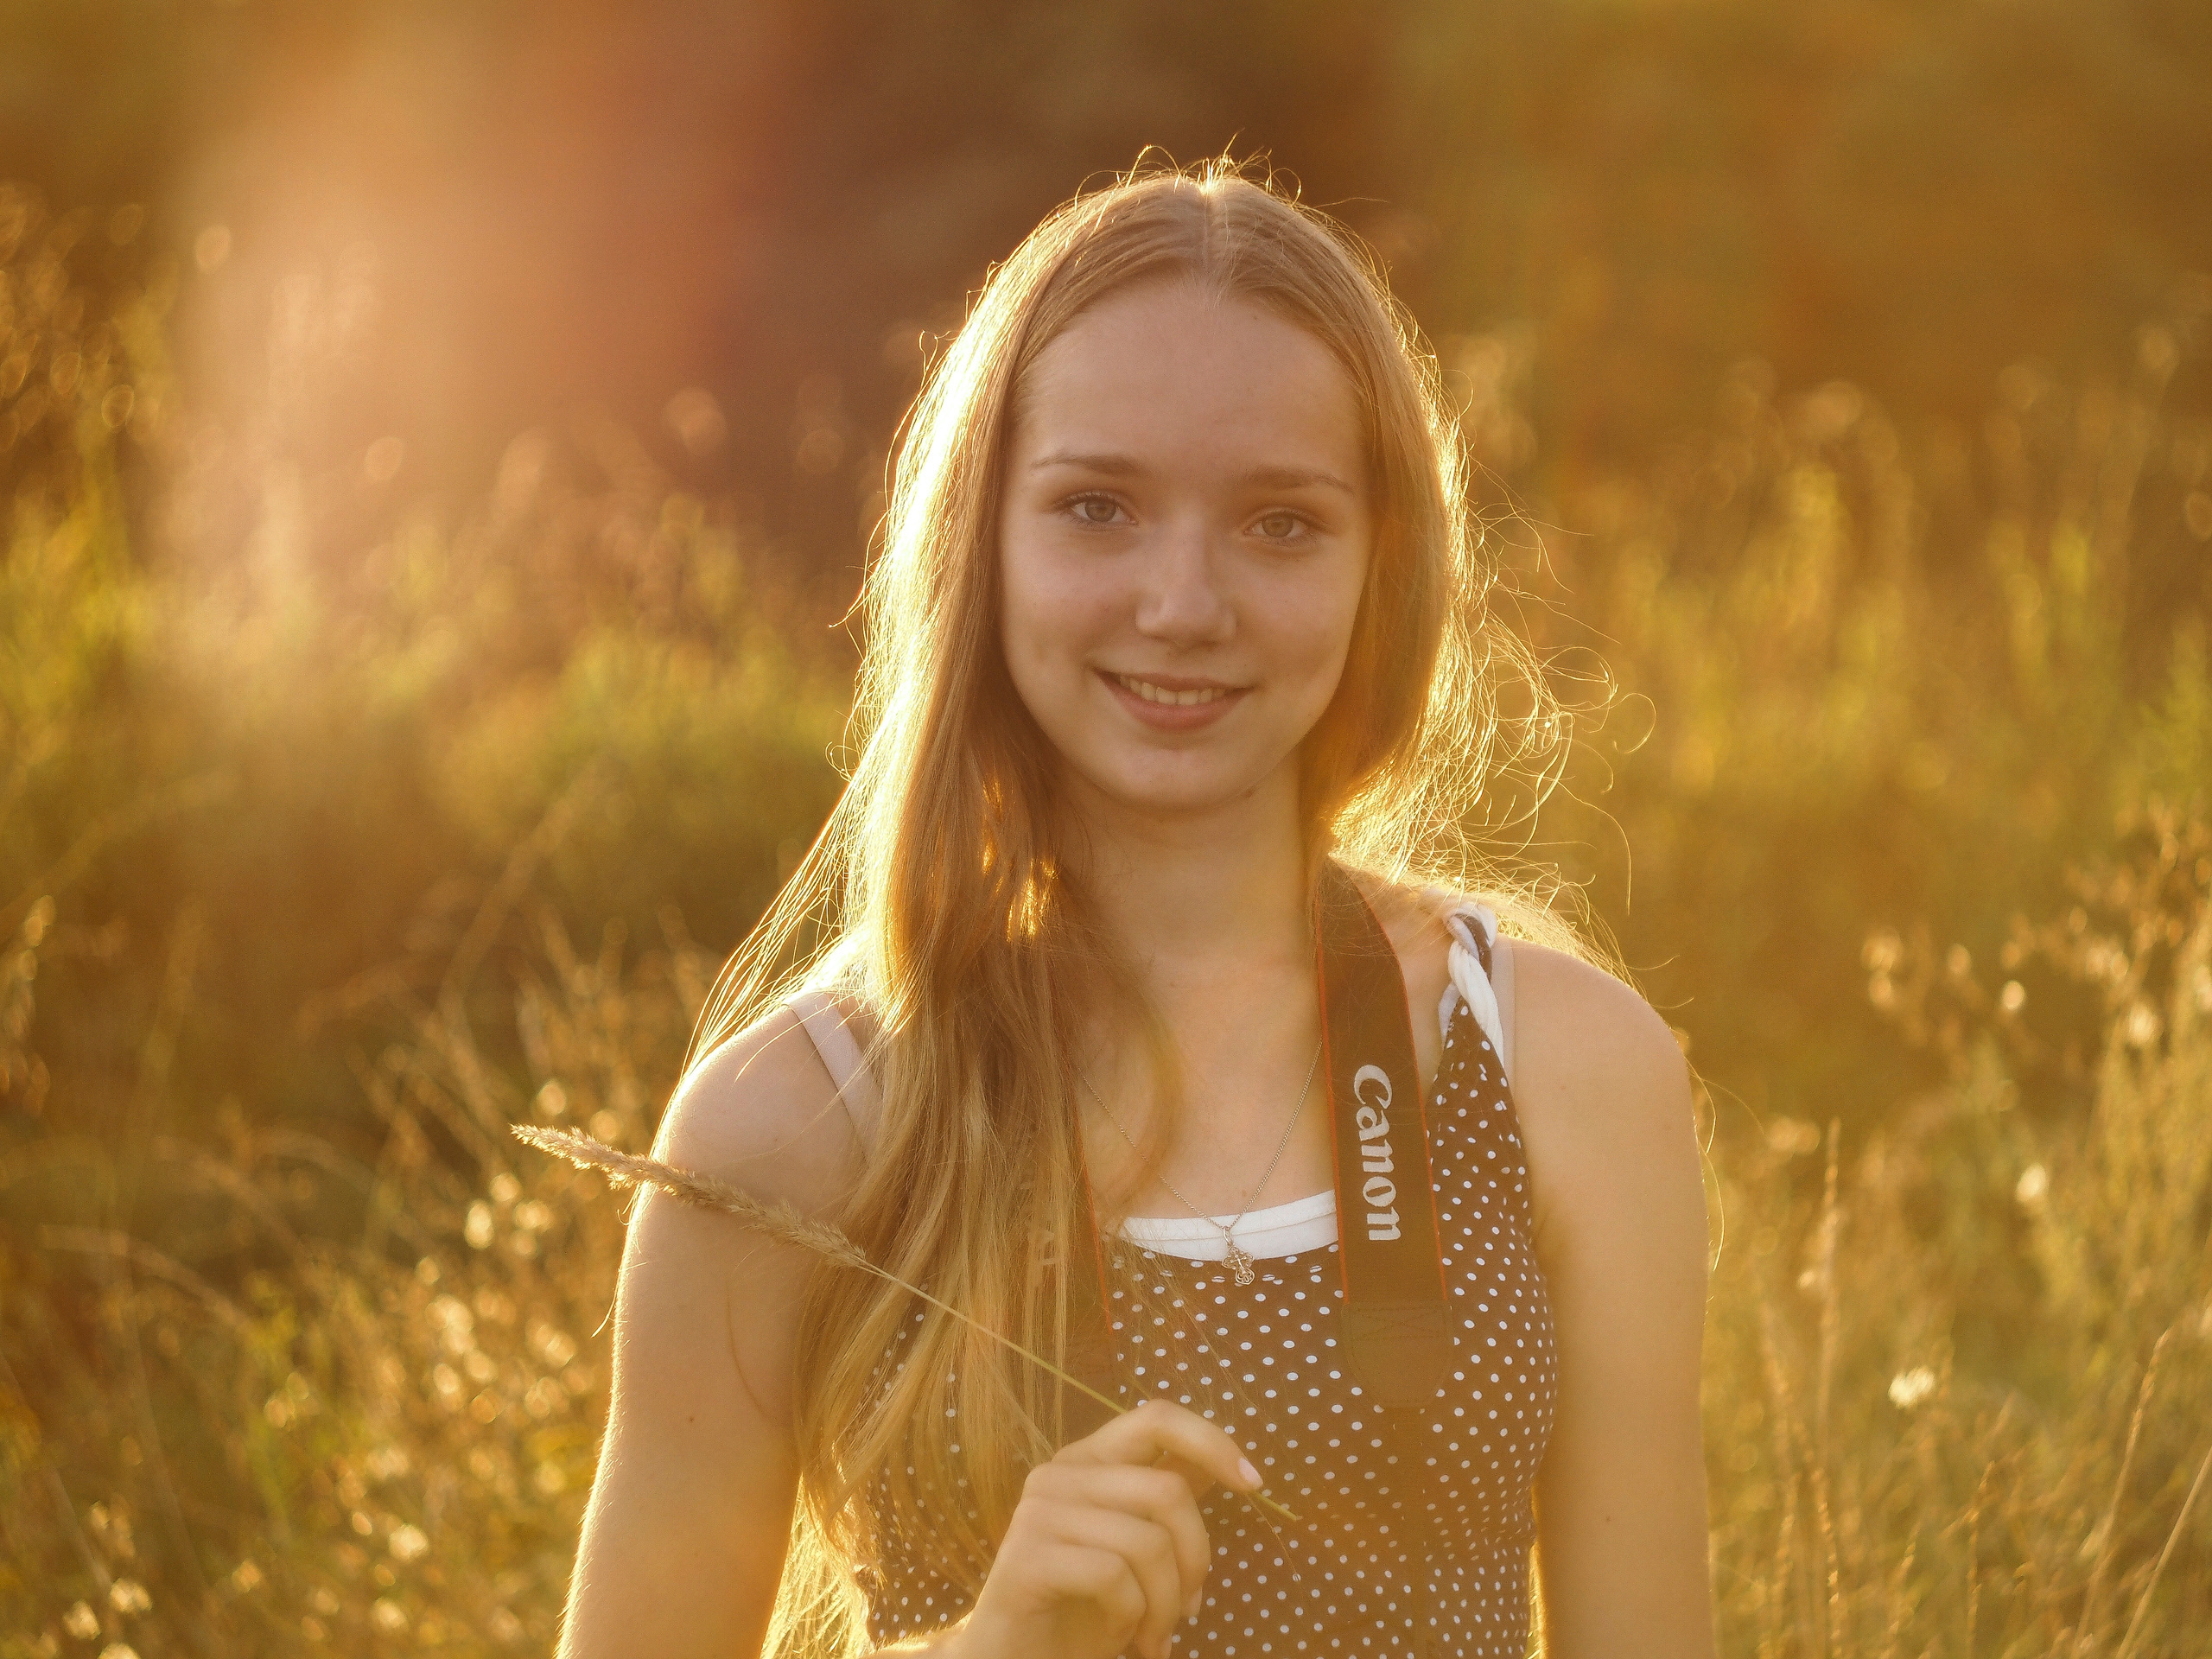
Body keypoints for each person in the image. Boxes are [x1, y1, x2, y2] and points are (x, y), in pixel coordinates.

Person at [557, 160, 1713, 1659]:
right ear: (982, 540)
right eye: (1097, 508)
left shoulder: (1567, 1069)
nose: (1183, 604)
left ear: (1384, 561)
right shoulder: (796, 1122)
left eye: (1280, 523)